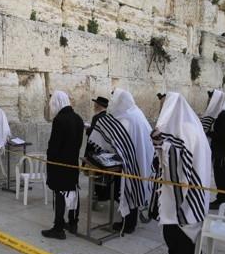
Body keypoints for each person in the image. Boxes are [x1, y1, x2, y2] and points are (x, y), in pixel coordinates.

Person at [149, 93, 210, 254]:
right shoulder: (192, 126)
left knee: (173, 221)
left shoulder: (183, 130)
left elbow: (178, 154)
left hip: (182, 187)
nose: (162, 110)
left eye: (163, 106)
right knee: (190, 222)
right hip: (195, 186)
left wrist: (160, 144)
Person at [87, 88, 154, 234]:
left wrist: (100, 125)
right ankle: (130, 221)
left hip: (131, 163)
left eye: (115, 102)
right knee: (134, 189)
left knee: (126, 189)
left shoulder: (128, 118)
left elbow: (118, 138)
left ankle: (128, 224)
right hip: (141, 159)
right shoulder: (137, 113)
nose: (113, 105)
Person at [42, 91, 84, 240]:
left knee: (59, 195)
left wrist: (50, 161)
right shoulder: (78, 119)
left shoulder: (59, 120)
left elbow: (54, 145)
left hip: (59, 165)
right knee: (73, 192)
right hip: (72, 163)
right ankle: (73, 223)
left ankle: (58, 228)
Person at [201, 90, 225, 210]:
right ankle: (221, 198)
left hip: (221, 153)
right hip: (219, 152)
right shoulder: (222, 114)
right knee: (219, 176)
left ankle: (222, 200)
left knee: (221, 177)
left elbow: (223, 136)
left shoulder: (224, 115)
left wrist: (209, 133)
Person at [84, 96, 115, 202]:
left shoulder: (97, 118)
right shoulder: (108, 117)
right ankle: (103, 194)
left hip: (95, 150)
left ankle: (97, 195)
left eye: (95, 104)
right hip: (104, 149)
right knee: (103, 175)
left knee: (95, 175)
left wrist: (88, 130)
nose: (94, 105)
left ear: (98, 105)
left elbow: (93, 135)